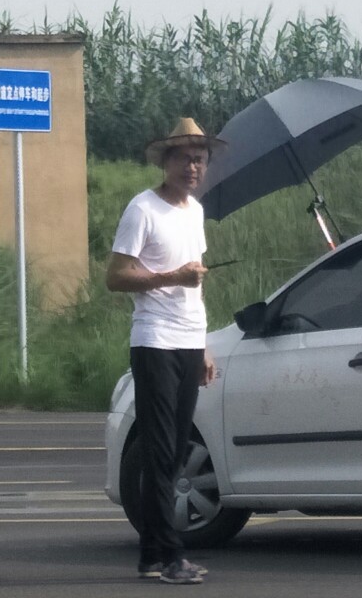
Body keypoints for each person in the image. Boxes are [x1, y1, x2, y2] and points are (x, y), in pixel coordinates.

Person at [106, 117, 226, 585]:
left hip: (187, 339)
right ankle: (172, 555)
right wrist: (170, 277)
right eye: (184, 158)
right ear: (166, 161)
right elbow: (116, 276)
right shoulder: (143, 209)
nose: (192, 167)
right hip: (154, 340)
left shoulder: (193, 211)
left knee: (176, 449)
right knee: (159, 448)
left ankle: (152, 553)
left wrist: (203, 347)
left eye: (200, 159)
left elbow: (194, 286)